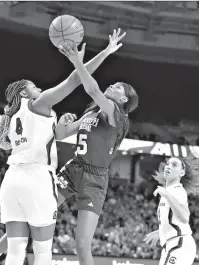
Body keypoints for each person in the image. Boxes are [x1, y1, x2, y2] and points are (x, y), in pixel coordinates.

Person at [0, 29, 127, 265]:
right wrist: (93, 56)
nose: (40, 89)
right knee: (43, 250)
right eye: (34, 86)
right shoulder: (38, 104)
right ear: (25, 93)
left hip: (13, 177)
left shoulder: (7, 119)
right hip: (40, 176)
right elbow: (76, 81)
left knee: (17, 247)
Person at [51, 34, 139, 265]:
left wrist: (77, 63)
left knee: (81, 245)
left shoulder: (117, 115)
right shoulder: (91, 114)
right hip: (74, 169)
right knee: (38, 213)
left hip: (95, 179)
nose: (113, 85)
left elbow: (92, 90)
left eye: (118, 87)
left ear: (124, 100)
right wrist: (62, 121)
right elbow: (61, 135)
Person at [143, 156, 199, 265]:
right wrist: (160, 232)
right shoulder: (170, 191)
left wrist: (166, 194)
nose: (168, 166)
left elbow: (184, 217)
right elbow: (175, 222)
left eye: (174, 165)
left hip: (179, 244)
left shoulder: (177, 191)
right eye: (168, 164)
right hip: (172, 245)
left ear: (182, 172)